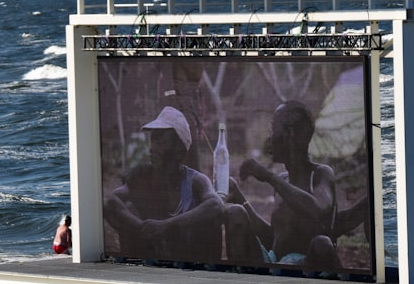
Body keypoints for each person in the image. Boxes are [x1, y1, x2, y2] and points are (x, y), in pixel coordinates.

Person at [228, 100, 341, 273]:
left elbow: (317, 209)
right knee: (235, 213)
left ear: (290, 135)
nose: (269, 138)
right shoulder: (282, 180)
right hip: (275, 266)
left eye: (273, 130)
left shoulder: (320, 174)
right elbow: (273, 238)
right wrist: (238, 196)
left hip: (307, 271)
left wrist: (268, 176)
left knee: (322, 243)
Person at [104, 106, 227, 265]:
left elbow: (216, 205)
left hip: (190, 264)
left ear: (179, 150)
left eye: (162, 142)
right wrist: (144, 228)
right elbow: (111, 203)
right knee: (127, 210)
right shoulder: (142, 176)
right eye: (153, 140)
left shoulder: (196, 180)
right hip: (153, 261)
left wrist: (165, 227)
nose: (152, 148)